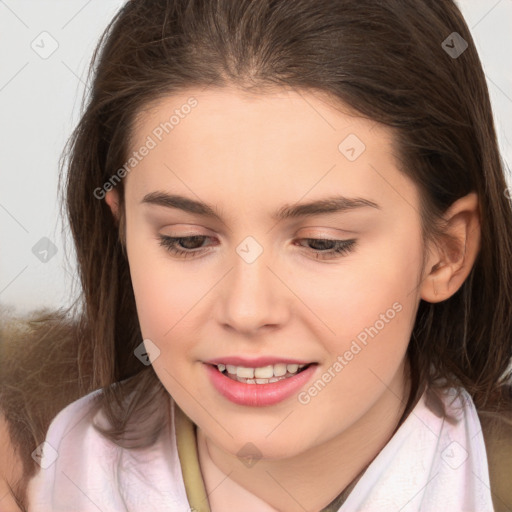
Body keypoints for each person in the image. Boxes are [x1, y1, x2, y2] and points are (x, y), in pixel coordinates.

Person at [4, 0, 512, 510]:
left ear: (446, 253)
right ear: (123, 230)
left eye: (322, 243)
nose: (247, 310)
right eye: (187, 240)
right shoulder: (47, 477)